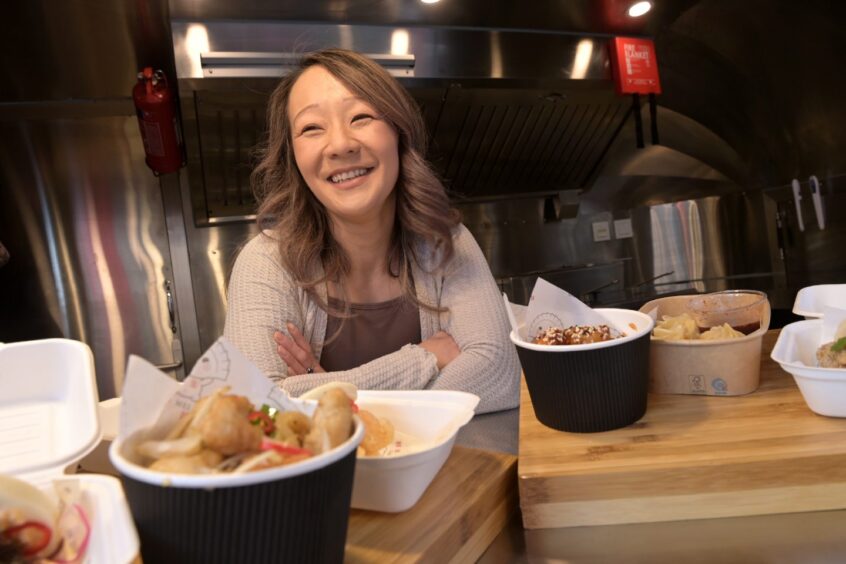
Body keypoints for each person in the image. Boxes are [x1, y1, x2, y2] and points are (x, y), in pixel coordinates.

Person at [223, 48, 520, 414]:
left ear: (398, 131)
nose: (341, 145)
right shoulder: (267, 262)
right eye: (312, 128)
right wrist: (423, 360)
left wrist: (326, 391)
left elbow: (500, 377)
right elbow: (259, 408)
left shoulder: (447, 242)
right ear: (293, 157)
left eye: (361, 117)